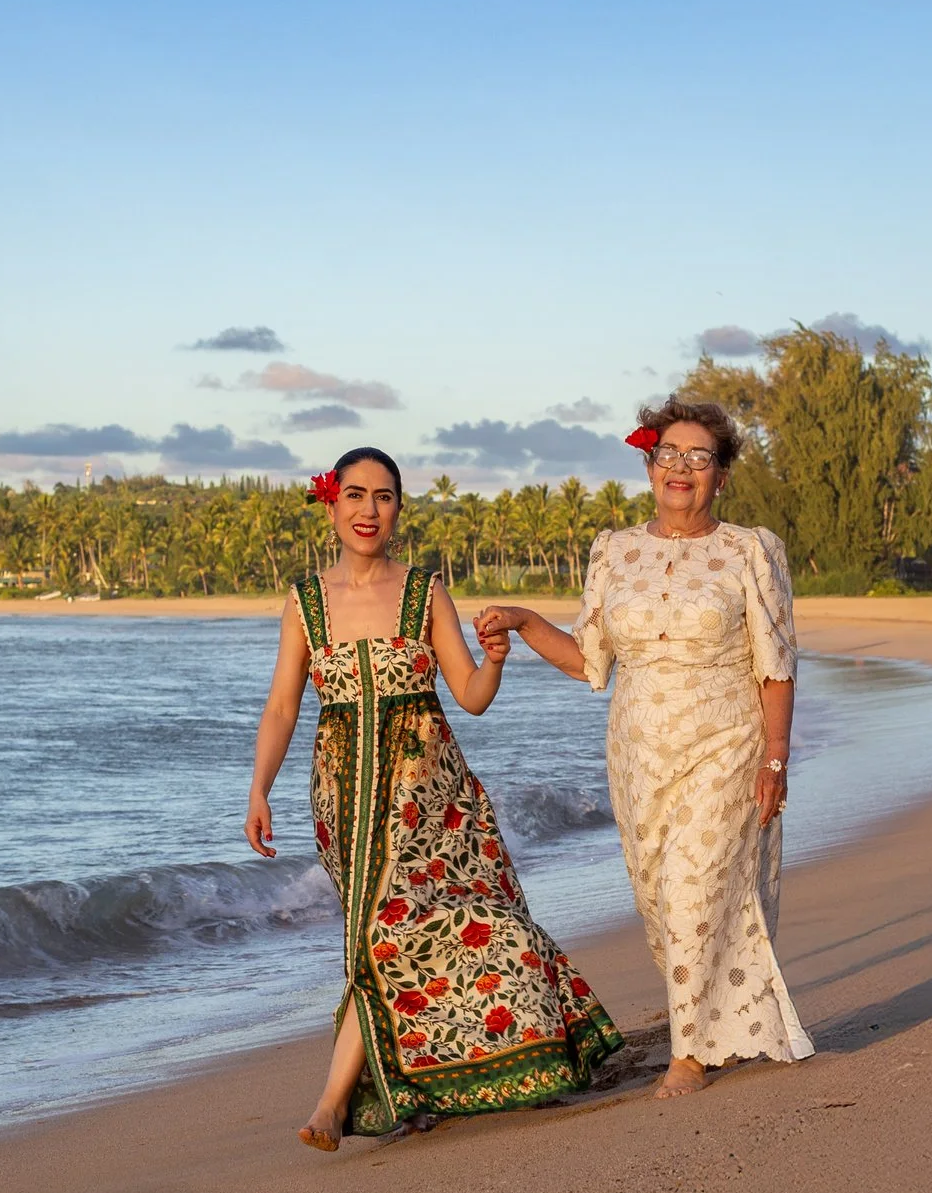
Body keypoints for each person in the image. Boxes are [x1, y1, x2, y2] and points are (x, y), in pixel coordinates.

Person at [245, 446, 623, 1150]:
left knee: (429, 928)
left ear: (397, 509)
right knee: (377, 937)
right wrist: (258, 788)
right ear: (331, 505)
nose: (368, 510)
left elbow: (471, 698)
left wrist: (498, 661)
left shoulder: (425, 591)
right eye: (354, 494)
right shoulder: (305, 601)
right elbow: (280, 708)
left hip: (433, 798)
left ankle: (339, 1102)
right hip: (344, 799)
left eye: (383, 496)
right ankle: (371, 1093)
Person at [473, 398, 813, 1097]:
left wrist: (775, 757)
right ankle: (715, 1026)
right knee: (662, 900)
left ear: (721, 475)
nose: (680, 468)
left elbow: (775, 663)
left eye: (699, 457)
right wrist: (526, 619)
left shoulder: (751, 549)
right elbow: (589, 661)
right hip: (637, 755)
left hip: (725, 743)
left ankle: (688, 1056)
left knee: (695, 888)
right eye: (668, 454)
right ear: (648, 464)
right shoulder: (614, 550)